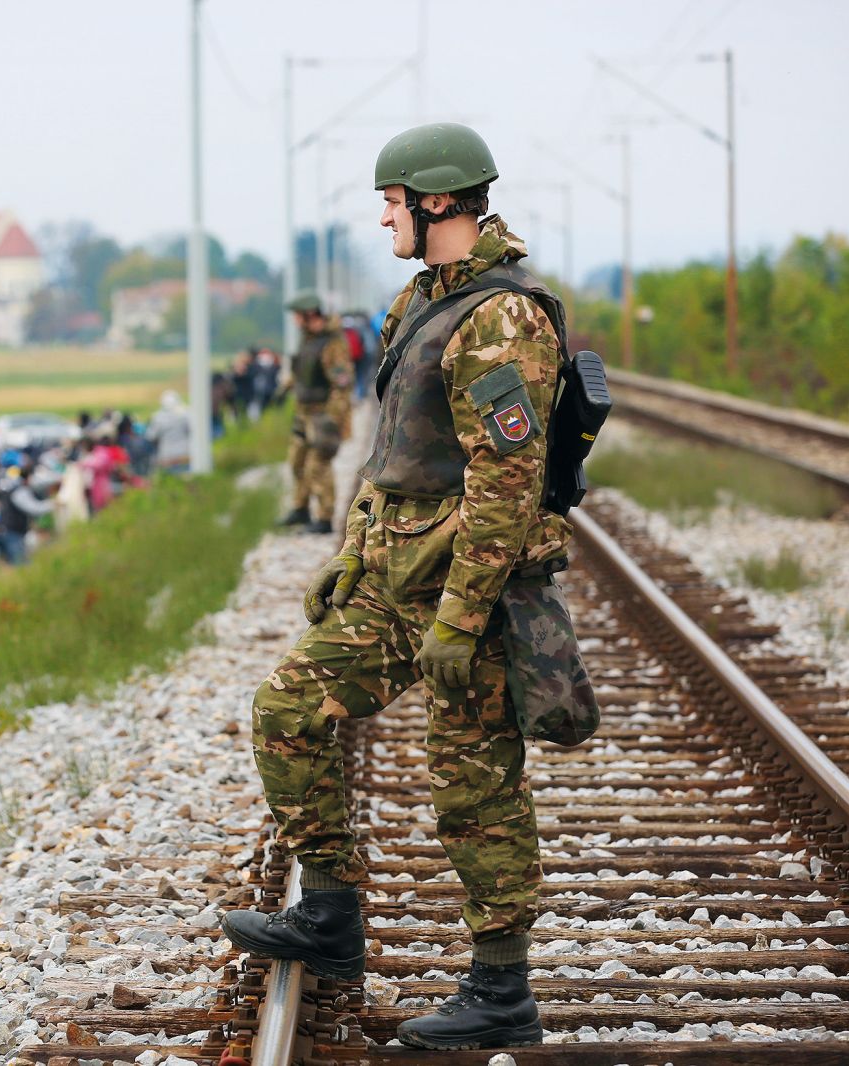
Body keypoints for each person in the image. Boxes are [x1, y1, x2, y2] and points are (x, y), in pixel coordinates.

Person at [222, 123, 570, 1050]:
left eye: (392, 201)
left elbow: (507, 483)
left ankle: (501, 990)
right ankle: (330, 916)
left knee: (472, 790)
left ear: (439, 201)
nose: (384, 217)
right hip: (393, 576)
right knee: (286, 709)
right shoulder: (418, 302)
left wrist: (460, 620)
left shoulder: (503, 316)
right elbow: (390, 457)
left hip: (473, 593)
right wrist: (350, 551)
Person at [277, 291, 353, 535]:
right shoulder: (308, 340)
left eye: (297, 316)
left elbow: (342, 384)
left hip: (323, 415)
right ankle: (300, 508)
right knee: (297, 462)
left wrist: (333, 419)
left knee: (317, 466)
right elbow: (302, 371)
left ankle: (324, 518)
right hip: (304, 412)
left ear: (309, 315)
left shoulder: (332, 344)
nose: (294, 321)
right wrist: (284, 388)